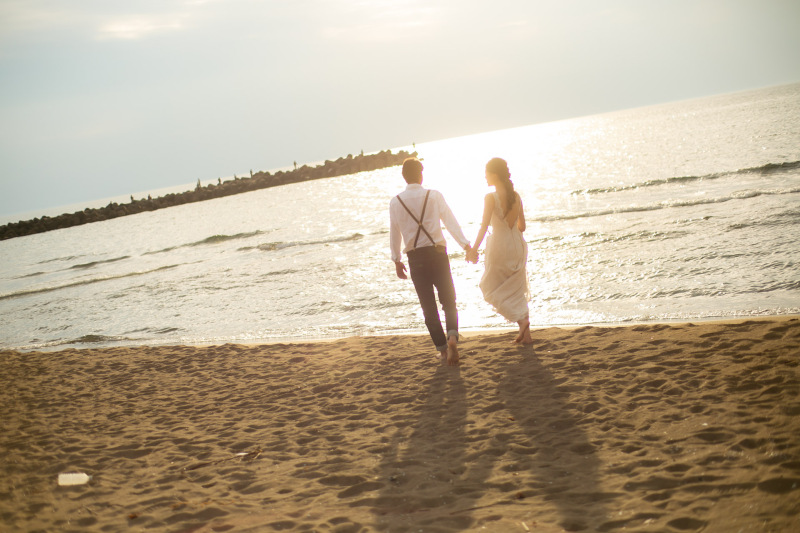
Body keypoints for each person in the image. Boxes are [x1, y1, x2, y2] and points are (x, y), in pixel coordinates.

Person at [390, 158, 473, 365]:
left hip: (415, 258)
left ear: (404, 177)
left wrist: (396, 260)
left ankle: (443, 351)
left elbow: (395, 233)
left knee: (428, 307)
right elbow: (450, 221)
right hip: (438, 254)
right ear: (421, 175)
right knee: (448, 300)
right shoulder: (434, 195)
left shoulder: (396, 202)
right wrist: (465, 245)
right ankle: (452, 337)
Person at [466, 157, 533, 344]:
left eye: (486, 174)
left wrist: (473, 250)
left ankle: (521, 320)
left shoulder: (491, 198)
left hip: (500, 245)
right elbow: (522, 226)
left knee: (489, 287)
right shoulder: (516, 196)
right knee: (517, 289)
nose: (485, 178)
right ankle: (525, 332)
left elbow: (483, 226)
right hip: (518, 245)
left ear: (494, 174)